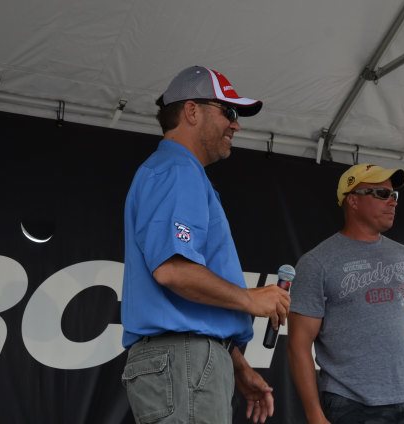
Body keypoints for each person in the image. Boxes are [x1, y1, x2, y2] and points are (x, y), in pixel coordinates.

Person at [120, 65, 291, 424]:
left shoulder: (180, 171)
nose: (236, 125)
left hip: (189, 358)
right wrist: (249, 298)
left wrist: (237, 363)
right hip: (183, 358)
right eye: (228, 111)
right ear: (192, 111)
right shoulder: (176, 170)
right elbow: (172, 270)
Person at [287, 163, 404, 424]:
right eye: (382, 194)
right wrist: (315, 415)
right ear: (353, 200)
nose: (392, 201)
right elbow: (298, 345)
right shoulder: (317, 262)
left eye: (394, 195)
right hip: (353, 404)